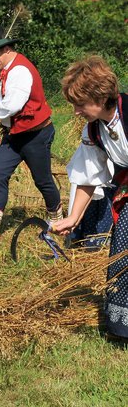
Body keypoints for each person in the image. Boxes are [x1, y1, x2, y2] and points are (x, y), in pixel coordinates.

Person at [0, 25, 62, 239]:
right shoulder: (8, 70)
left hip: (35, 134)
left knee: (42, 180)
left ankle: (59, 222)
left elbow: (12, 106)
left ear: (6, 49)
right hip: (15, 135)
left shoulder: (20, 71)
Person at [53, 55, 128, 340]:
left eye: (79, 104)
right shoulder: (94, 130)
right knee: (122, 251)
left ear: (99, 96)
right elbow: (87, 176)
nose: (75, 112)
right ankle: (123, 327)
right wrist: (73, 217)